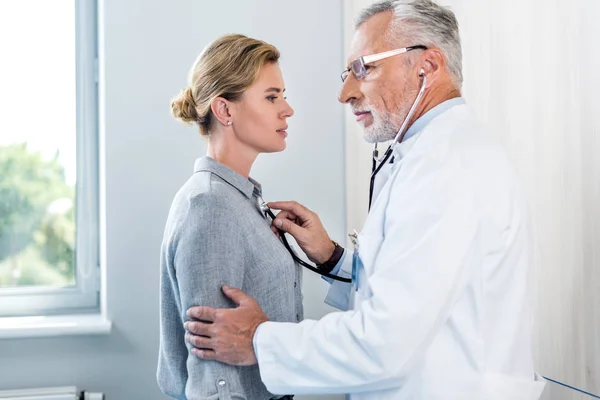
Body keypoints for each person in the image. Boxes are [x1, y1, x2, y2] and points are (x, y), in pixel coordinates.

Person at [184, 1, 546, 399]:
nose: (345, 93)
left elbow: (386, 342)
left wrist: (259, 341)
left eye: (364, 68)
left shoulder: (446, 166)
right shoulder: (427, 157)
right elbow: (408, 286)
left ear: (426, 67)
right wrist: (332, 258)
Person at [157, 34, 299, 400]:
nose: (287, 109)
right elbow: (215, 381)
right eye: (271, 97)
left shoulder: (240, 199)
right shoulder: (211, 206)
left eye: (283, 95)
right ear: (225, 110)